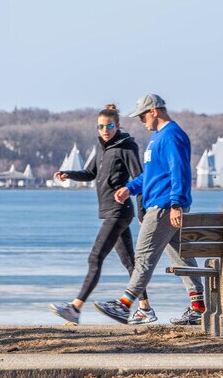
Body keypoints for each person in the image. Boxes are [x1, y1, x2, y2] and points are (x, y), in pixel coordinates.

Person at [93, 93, 205, 326]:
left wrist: (176, 204)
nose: (141, 121)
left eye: (143, 116)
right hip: (163, 204)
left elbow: (180, 172)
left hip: (164, 207)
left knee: (143, 256)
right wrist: (130, 188)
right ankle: (199, 307)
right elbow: (151, 175)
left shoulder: (172, 136)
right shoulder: (158, 138)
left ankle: (125, 305)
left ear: (154, 110)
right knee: (182, 257)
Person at [48, 104, 150, 324]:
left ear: (118, 126)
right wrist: (69, 174)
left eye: (110, 125)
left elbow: (140, 181)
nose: (105, 129)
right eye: (101, 126)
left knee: (95, 258)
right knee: (129, 262)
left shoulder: (126, 147)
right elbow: (90, 173)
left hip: (119, 211)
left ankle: (75, 307)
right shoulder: (101, 147)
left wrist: (142, 212)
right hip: (109, 212)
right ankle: (145, 308)